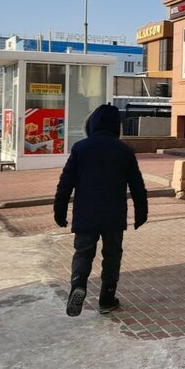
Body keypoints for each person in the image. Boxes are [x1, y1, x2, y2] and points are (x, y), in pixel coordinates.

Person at [54, 104, 147, 317]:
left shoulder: (81, 148)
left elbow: (65, 183)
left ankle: (78, 285)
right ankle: (107, 298)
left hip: (86, 212)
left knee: (83, 252)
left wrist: (60, 212)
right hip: (114, 213)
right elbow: (137, 186)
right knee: (112, 254)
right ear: (117, 126)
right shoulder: (124, 151)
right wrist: (141, 213)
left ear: (93, 124)